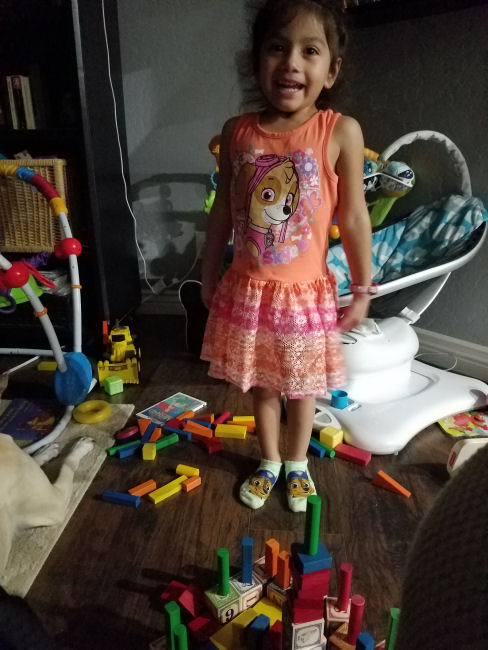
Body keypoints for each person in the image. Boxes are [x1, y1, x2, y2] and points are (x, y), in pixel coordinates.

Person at [201, 0, 373, 512]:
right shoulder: (236, 132)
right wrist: (208, 273)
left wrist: (362, 288)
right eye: (277, 47)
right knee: (262, 384)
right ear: (257, 60)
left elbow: (354, 218)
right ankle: (270, 460)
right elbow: (223, 211)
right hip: (249, 289)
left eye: (309, 51)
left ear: (331, 70)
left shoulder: (340, 131)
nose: (291, 62)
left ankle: (297, 464)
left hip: (303, 296)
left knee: (301, 388)